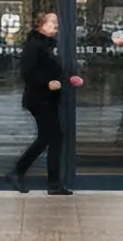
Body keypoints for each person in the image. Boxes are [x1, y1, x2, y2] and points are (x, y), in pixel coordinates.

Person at [13, 11, 83, 194]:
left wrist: (68, 79)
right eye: (52, 22)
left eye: (56, 23)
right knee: (51, 137)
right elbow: (27, 72)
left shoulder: (47, 45)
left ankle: (50, 182)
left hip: (47, 98)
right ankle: (24, 174)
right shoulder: (35, 45)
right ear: (41, 24)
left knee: (52, 138)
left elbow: (52, 71)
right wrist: (47, 83)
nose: (56, 26)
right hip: (39, 99)